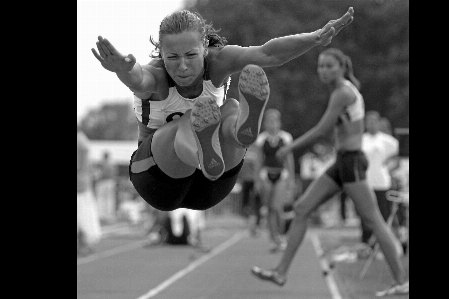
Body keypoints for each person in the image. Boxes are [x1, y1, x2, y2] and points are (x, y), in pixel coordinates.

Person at [91, 8, 354, 212]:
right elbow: (138, 78)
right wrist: (122, 69)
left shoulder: (219, 62)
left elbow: (269, 54)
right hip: (156, 181)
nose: (182, 66)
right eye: (172, 57)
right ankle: (205, 153)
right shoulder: (156, 77)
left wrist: (314, 38)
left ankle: (240, 134)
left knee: (231, 107)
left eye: (191, 55)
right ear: (162, 54)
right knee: (196, 116)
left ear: (204, 47)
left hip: (213, 183)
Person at [251, 48, 408, 297]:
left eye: (329, 66)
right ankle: (281, 272)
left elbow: (322, 129)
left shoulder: (343, 92)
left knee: (374, 221)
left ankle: (401, 279)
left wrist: (290, 146)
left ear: (342, 67)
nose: (323, 71)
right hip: (342, 161)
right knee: (302, 208)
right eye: (320, 66)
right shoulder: (339, 90)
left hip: (352, 162)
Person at [362, 112, 404, 255]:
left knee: (383, 215)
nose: (371, 124)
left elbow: (398, 158)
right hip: (365, 183)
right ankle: (366, 244)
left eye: (374, 121)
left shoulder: (387, 140)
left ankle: (382, 244)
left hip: (382, 183)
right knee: (366, 215)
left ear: (378, 123)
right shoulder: (362, 139)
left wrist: (387, 168)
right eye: (369, 121)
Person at [254, 108, 295, 252]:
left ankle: (282, 236)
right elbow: (259, 161)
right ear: (265, 123)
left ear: (279, 123)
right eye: (269, 121)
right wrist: (257, 181)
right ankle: (273, 238)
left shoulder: (286, 138)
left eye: (274, 121)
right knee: (270, 209)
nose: (272, 124)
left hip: (281, 175)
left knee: (278, 207)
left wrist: (291, 179)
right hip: (266, 174)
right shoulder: (262, 139)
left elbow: (289, 160)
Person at [77, 126, 102, 256]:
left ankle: (86, 243)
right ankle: (87, 242)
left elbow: (79, 165)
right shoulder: (83, 140)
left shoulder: (79, 142)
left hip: (80, 186)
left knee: (83, 217)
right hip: (83, 184)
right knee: (85, 216)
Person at [237, 143, 262, 236]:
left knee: (256, 204)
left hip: (255, 181)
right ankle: (249, 224)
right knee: (245, 204)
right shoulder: (242, 149)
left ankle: (256, 225)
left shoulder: (257, 149)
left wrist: (257, 182)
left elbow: (258, 167)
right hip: (245, 181)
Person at [95, 150, 117, 224]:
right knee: (109, 199)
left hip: (104, 182)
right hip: (111, 182)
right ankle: (108, 216)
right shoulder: (112, 164)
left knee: (102, 199)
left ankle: (102, 215)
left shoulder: (103, 164)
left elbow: (101, 174)